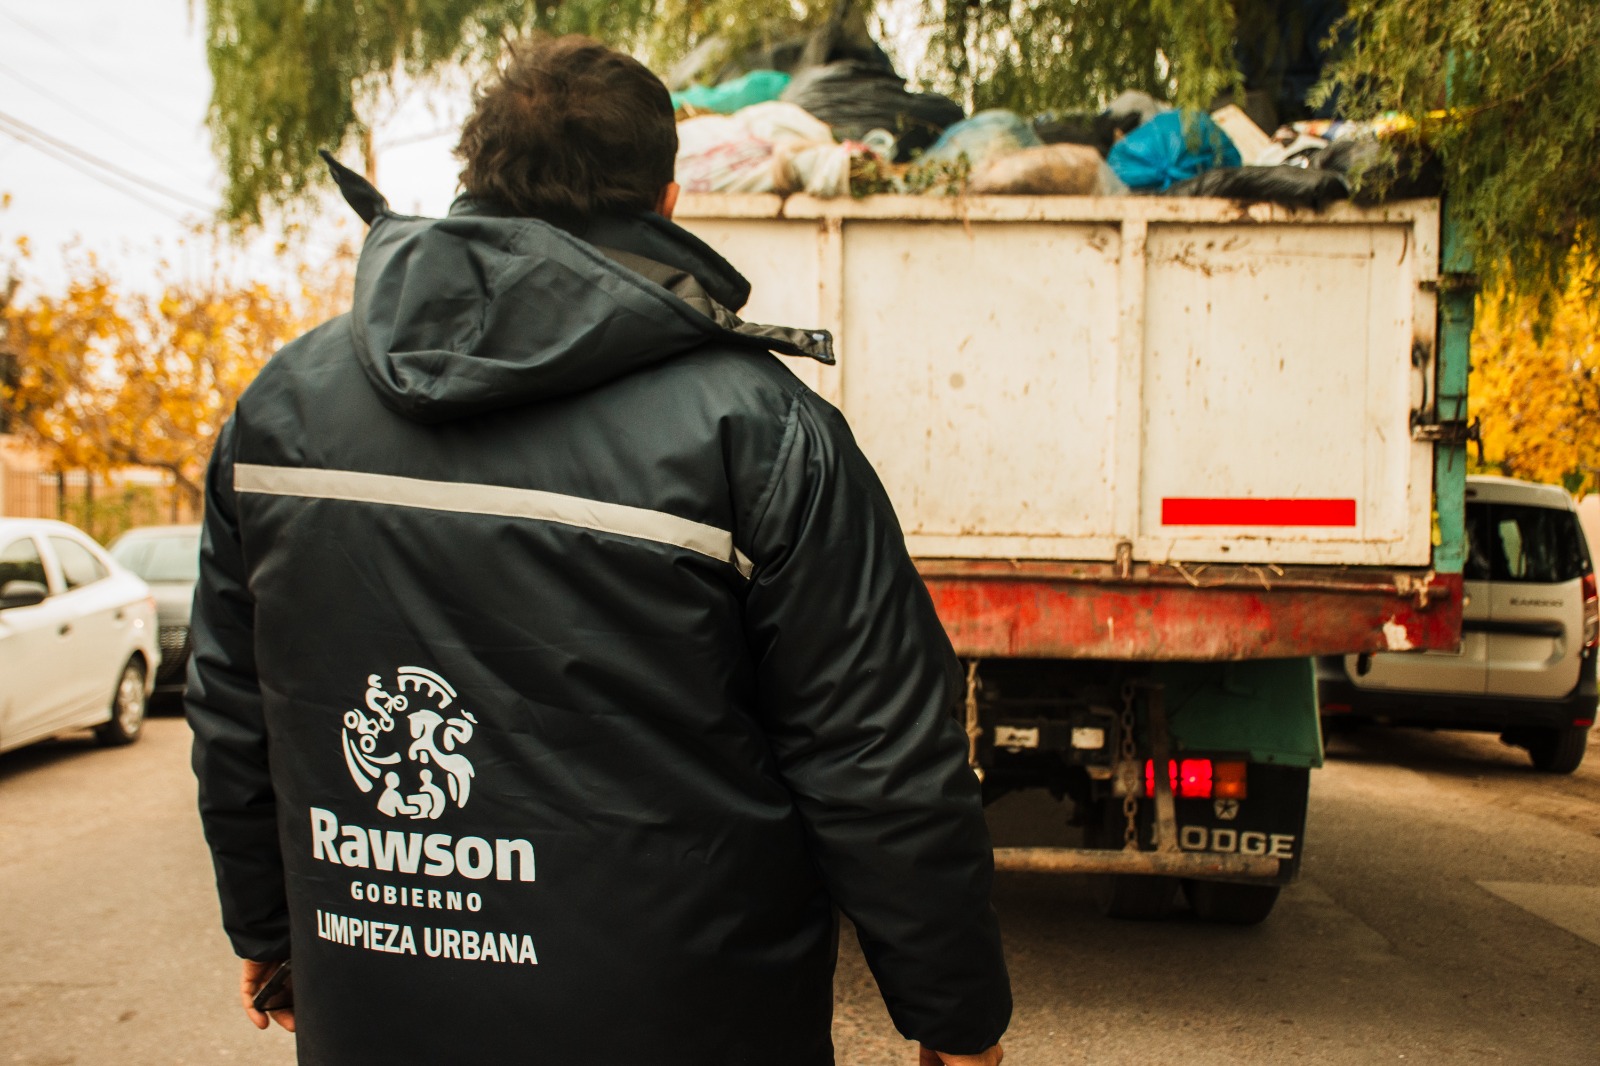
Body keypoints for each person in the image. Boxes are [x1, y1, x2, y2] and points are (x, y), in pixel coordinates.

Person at [187, 33, 1010, 1066]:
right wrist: (955, 1020)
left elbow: (236, 702)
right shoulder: (755, 430)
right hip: (692, 1023)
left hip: (379, 1007)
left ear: (475, 180)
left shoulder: (280, 409)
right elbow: (875, 755)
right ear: (667, 200)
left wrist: (268, 928)